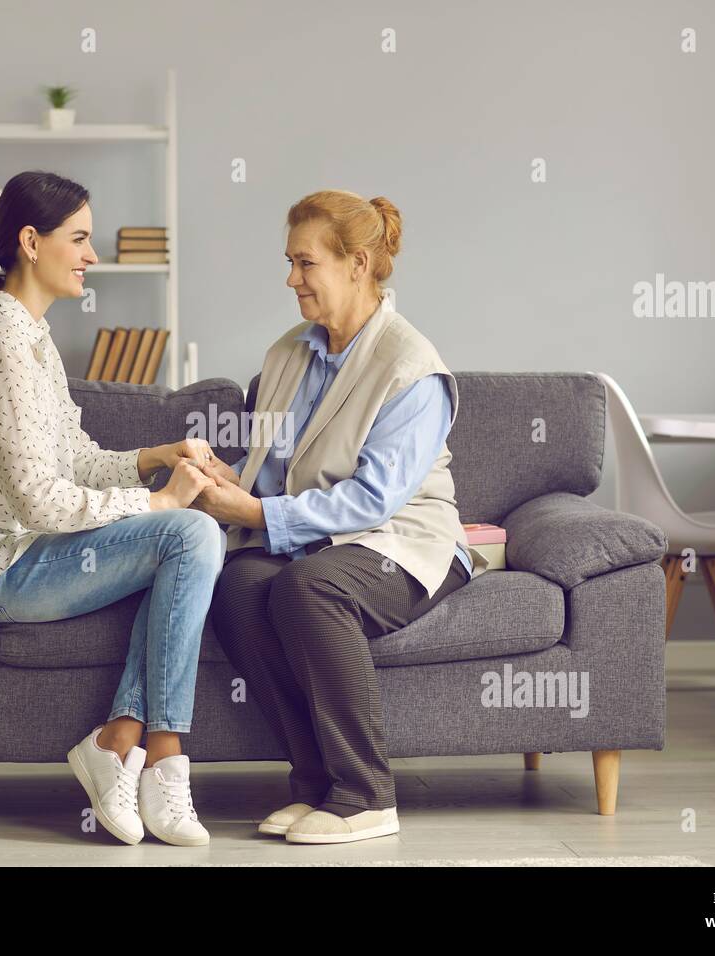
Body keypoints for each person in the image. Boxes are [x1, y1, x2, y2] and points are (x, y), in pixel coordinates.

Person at [0, 170, 223, 847]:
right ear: (31, 241)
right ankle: (160, 758)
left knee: (188, 537)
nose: (91, 256)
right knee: (190, 536)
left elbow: (72, 459)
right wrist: (160, 500)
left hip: (22, 547)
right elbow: (38, 500)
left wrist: (155, 456)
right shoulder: (0, 341)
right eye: (79, 239)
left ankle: (121, 741)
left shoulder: (27, 334)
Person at [197, 189, 486, 845]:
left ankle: (365, 795)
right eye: (290, 262)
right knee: (239, 586)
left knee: (310, 587)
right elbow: (272, 468)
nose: (291, 278)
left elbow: (374, 499)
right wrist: (228, 479)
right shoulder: (285, 356)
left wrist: (255, 511)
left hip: (404, 543)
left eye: (305, 263)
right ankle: (315, 785)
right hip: (319, 541)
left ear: (357, 263)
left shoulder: (412, 368)